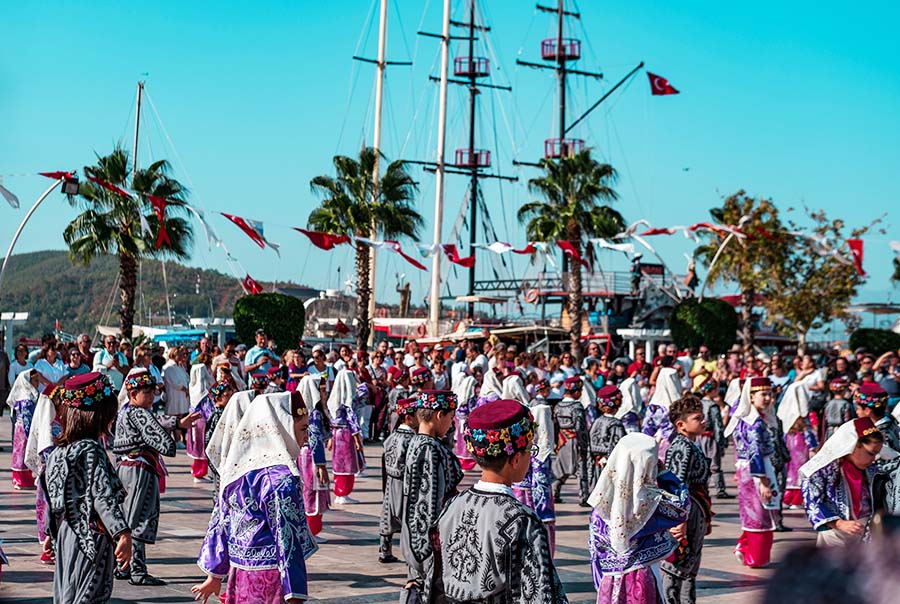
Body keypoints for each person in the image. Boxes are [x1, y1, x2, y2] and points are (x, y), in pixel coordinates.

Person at [430, 399, 567, 603]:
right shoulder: (522, 520)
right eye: (530, 450)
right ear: (515, 459)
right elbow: (540, 595)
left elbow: (434, 581)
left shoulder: (452, 506)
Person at [192, 391, 319, 604]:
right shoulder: (280, 478)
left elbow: (221, 521)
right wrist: (294, 592)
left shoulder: (237, 471)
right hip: (270, 579)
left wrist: (214, 575)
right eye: (303, 429)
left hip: (240, 572)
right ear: (282, 428)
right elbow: (287, 540)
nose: (307, 437)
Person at [42, 372, 132, 603]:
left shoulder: (57, 453)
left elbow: (51, 498)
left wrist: (50, 533)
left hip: (66, 535)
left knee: (66, 594)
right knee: (88, 594)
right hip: (91, 537)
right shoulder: (91, 450)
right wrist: (121, 532)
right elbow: (102, 495)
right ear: (97, 416)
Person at [113, 369, 198, 585]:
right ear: (133, 394)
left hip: (127, 467)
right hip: (138, 469)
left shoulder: (126, 411)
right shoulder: (139, 413)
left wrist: (177, 423)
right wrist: (175, 430)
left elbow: (156, 420)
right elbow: (160, 438)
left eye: (153, 393)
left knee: (128, 516)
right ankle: (137, 571)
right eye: (146, 393)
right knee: (138, 518)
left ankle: (123, 566)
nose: (151, 397)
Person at [588, 433, 689, 604]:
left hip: (609, 581)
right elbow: (682, 507)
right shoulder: (649, 505)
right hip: (641, 579)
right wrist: (664, 474)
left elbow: (595, 552)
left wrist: (602, 583)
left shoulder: (601, 505)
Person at [399, 389, 463, 604]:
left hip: (421, 541)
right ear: (438, 415)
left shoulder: (418, 443)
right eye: (450, 417)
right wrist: (426, 552)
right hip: (430, 545)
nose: (451, 423)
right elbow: (427, 504)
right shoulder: (429, 449)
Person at [800, 417, 884, 547]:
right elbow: (813, 501)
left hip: (866, 533)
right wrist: (838, 523)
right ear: (854, 445)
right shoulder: (823, 469)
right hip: (835, 533)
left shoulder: (872, 469)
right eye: (871, 453)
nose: (873, 459)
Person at [661, 395, 713, 604]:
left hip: (695, 508)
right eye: (697, 418)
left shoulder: (692, 444)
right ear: (681, 425)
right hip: (687, 511)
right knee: (678, 564)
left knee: (689, 564)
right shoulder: (681, 447)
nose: (703, 421)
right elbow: (676, 486)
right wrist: (679, 521)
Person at [724, 377, 778, 568]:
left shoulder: (743, 418)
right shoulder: (755, 422)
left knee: (751, 511)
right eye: (762, 394)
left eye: (769, 394)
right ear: (751, 397)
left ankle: (744, 546)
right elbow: (755, 452)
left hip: (746, 470)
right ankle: (755, 556)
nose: (767, 398)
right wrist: (763, 481)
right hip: (756, 470)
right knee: (760, 513)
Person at [512, 378, 558, 554]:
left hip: (520, 495)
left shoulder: (523, 446)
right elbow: (542, 487)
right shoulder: (540, 454)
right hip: (535, 501)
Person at [25, 384, 64, 563]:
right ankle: (50, 548)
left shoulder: (58, 421)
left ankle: (52, 546)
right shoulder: (51, 425)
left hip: (53, 476)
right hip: (52, 477)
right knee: (51, 510)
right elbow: (49, 452)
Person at [378, 396, 418, 563]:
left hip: (390, 481)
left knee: (388, 515)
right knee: (408, 518)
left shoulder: (393, 436)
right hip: (404, 483)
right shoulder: (411, 440)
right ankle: (411, 554)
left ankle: (384, 550)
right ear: (408, 417)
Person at [296, 375, 331, 540]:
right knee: (313, 490)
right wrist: (321, 465)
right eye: (321, 389)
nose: (324, 393)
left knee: (306, 490)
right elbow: (315, 438)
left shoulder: (300, 410)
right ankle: (311, 531)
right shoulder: (314, 413)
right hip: (311, 456)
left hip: (302, 454)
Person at [778, 382, 818, 510]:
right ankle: (789, 498)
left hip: (798, 449)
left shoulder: (802, 426)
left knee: (796, 472)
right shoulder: (800, 426)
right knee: (791, 472)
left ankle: (793, 498)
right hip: (793, 449)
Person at [552, 376, 590, 506]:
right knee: (581, 469)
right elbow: (581, 428)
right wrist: (584, 444)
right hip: (574, 440)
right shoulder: (577, 407)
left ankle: (554, 492)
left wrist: (556, 442)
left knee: (561, 468)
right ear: (576, 391)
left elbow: (555, 425)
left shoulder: (558, 406)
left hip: (562, 439)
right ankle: (584, 497)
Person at [327, 369, 364, 504]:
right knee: (348, 464)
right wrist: (357, 439)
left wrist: (330, 437)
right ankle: (344, 493)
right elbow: (352, 421)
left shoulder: (332, 401)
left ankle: (339, 493)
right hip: (347, 435)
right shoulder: (349, 403)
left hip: (336, 434)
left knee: (338, 464)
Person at [694, 377, 729, 499]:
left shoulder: (698, 404)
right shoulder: (713, 406)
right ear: (711, 391)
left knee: (701, 465)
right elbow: (718, 425)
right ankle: (720, 489)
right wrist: (721, 442)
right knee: (715, 465)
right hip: (709, 438)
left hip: (698, 437)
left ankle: (702, 488)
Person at [588, 385, 627, 489]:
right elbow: (618, 445)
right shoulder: (616, 424)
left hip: (595, 461)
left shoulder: (597, 421)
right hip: (609, 461)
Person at [8, 368, 40, 489]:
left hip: (21, 428)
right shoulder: (27, 398)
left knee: (21, 452)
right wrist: (31, 432)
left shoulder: (28, 395)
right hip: (25, 428)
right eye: (35, 380)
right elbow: (27, 417)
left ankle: (23, 478)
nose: (37, 383)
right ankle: (20, 480)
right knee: (22, 453)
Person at [855, 383, 900, 451]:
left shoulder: (880, 436)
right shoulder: (891, 419)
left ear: (867, 411)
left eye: (858, 408)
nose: (856, 412)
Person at [452, 367, 478, 471]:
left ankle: (463, 463)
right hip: (465, 424)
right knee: (465, 444)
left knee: (461, 444)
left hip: (461, 423)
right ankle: (466, 463)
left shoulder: (462, 399)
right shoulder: (469, 399)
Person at [162, 347, 190, 417]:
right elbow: (176, 384)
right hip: (175, 396)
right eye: (179, 355)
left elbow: (187, 378)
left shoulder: (180, 366)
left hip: (183, 398)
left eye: (181, 354)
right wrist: (186, 390)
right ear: (173, 355)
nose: (181, 356)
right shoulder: (168, 367)